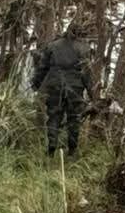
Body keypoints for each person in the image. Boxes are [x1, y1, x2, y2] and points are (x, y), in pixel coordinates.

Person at [31, 22, 93, 156]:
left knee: (54, 115)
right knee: (74, 118)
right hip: (75, 87)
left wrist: (36, 84)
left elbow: (42, 67)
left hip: (55, 85)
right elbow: (87, 73)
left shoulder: (52, 46)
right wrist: (92, 93)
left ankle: (52, 147)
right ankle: (72, 151)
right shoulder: (85, 48)